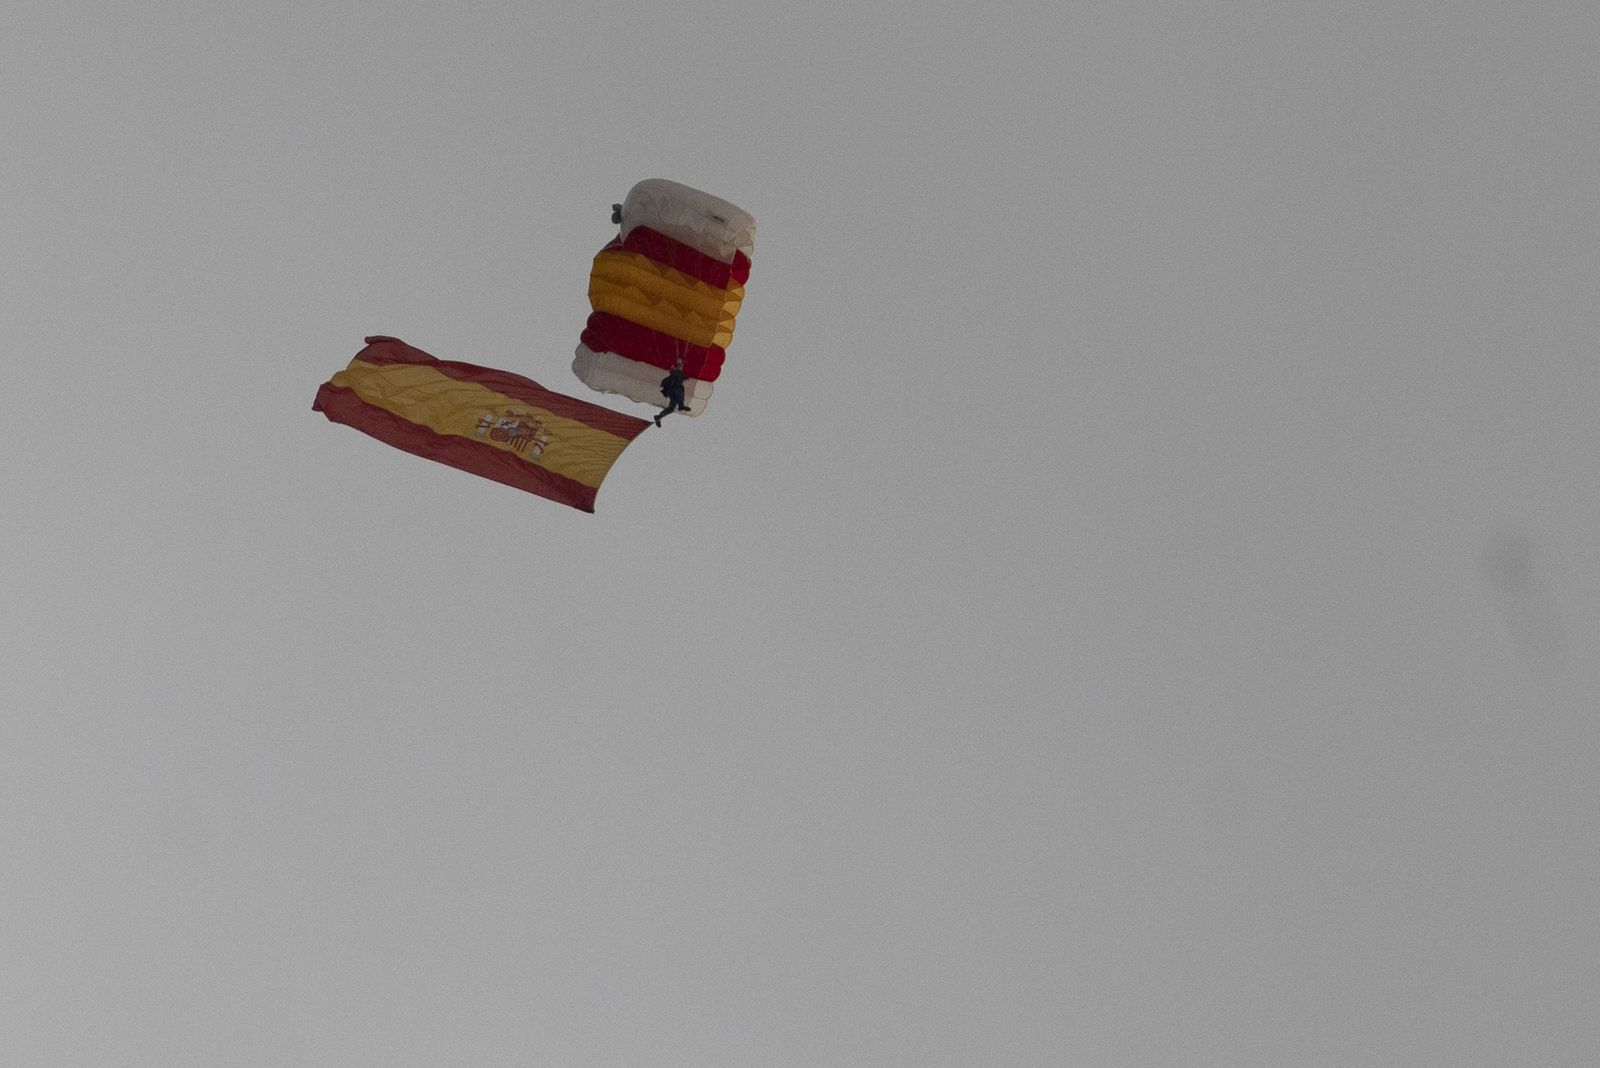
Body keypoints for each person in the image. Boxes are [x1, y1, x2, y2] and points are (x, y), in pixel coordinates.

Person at [654, 361, 689, 426]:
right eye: (680, 366)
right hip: (673, 389)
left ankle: (659, 417)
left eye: (681, 366)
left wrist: (683, 377)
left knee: (672, 408)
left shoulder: (679, 374)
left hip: (671, 392)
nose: (681, 367)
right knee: (679, 391)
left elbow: (676, 375)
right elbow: (674, 373)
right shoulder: (676, 372)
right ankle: (681, 405)